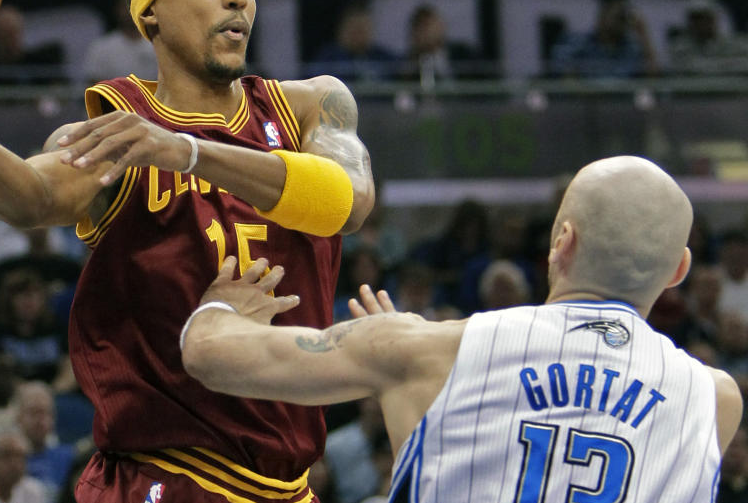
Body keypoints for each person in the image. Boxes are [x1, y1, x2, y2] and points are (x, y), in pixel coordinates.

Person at [0, 0, 375, 503]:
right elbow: (30, 196)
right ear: (148, 13)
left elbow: (347, 202)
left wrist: (190, 153)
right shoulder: (116, 130)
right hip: (162, 476)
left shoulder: (310, 105)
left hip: (288, 485)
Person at [182, 156, 743, 502]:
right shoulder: (715, 399)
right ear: (679, 270)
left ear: (562, 241)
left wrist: (220, 305)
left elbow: (208, 354)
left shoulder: (427, 352)